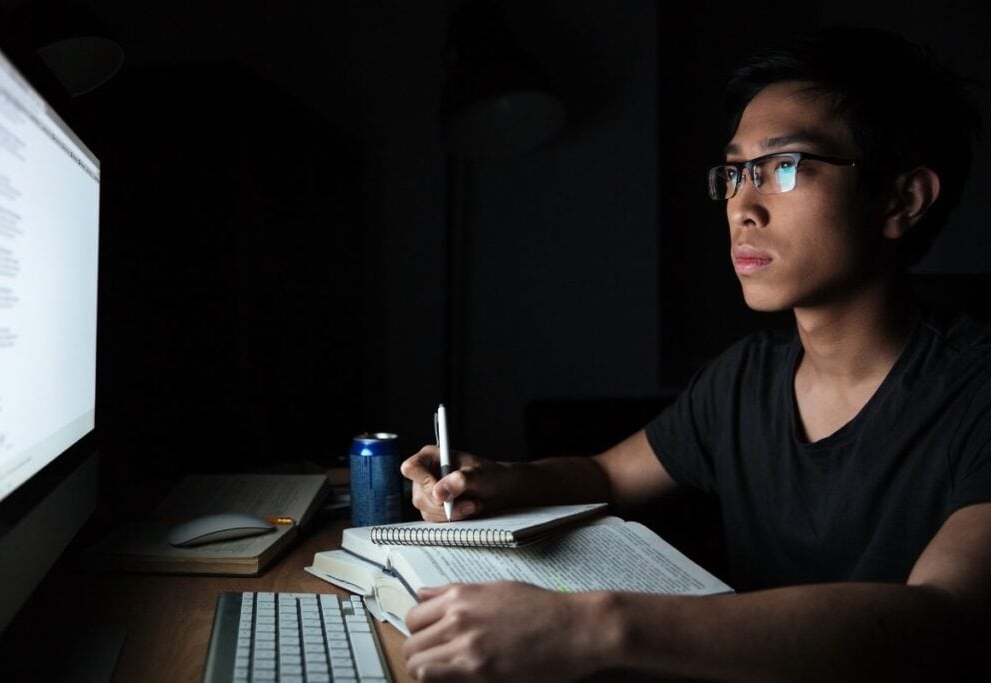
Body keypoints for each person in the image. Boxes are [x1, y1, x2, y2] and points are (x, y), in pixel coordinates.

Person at [398, 25, 991, 682]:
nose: (743, 204)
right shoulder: (743, 380)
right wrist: (495, 478)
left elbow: (949, 616)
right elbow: (606, 474)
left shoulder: (975, 391)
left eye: (785, 166)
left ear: (902, 199)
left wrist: (596, 626)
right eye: (736, 171)